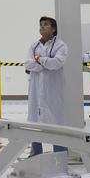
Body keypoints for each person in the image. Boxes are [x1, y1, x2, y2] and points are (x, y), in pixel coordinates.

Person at [25, 16, 68, 155]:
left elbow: (57, 63)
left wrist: (40, 60)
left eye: (46, 25)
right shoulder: (34, 46)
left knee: (56, 123)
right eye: (41, 25)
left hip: (53, 90)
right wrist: (44, 64)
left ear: (53, 29)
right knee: (34, 122)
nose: (42, 27)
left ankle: (60, 154)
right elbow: (28, 64)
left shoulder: (60, 45)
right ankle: (35, 153)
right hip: (36, 90)